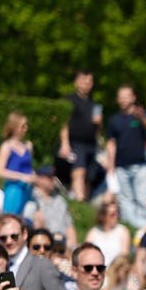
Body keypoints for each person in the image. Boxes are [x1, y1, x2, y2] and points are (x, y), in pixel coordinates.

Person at [104, 85, 146, 232]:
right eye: (121, 96)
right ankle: (131, 227)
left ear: (133, 98)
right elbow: (111, 142)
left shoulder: (141, 115)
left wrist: (142, 118)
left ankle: (144, 228)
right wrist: (111, 165)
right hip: (121, 165)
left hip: (140, 165)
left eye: (126, 95)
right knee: (125, 199)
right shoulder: (114, 120)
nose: (123, 99)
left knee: (142, 198)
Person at [57, 70, 100, 199]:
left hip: (91, 144)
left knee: (90, 176)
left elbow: (97, 128)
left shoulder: (94, 104)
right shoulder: (69, 100)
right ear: (76, 82)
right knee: (79, 170)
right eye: (83, 80)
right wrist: (65, 143)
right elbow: (63, 122)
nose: (86, 84)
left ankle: (84, 202)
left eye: (89, 81)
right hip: (75, 142)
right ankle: (79, 199)